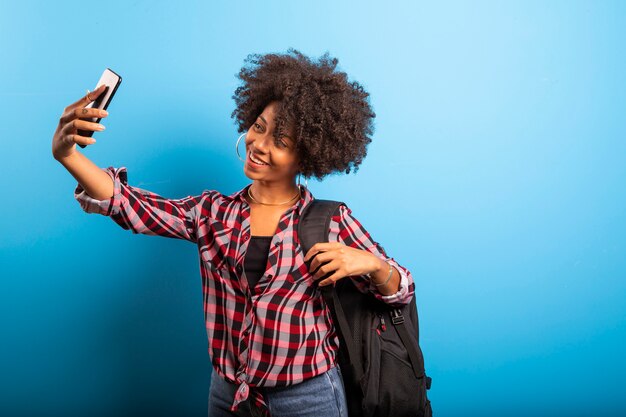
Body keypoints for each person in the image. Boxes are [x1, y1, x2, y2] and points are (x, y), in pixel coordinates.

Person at [52, 49, 415, 417]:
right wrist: (68, 155)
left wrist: (371, 264)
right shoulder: (213, 213)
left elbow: (402, 290)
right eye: (259, 127)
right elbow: (129, 205)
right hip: (229, 397)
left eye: (282, 141)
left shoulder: (330, 221)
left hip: (309, 399)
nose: (259, 144)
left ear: (306, 155)